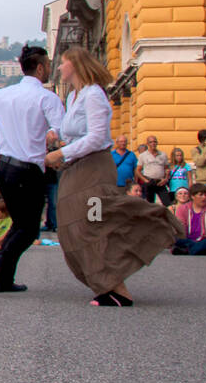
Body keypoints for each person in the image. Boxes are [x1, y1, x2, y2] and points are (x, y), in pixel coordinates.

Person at [45, 47, 182, 307]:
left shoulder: (94, 94)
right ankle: (104, 282)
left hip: (94, 169)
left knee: (91, 222)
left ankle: (116, 287)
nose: (59, 68)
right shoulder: (73, 96)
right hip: (76, 169)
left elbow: (97, 137)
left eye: (62, 63)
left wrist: (61, 152)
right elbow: (77, 134)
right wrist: (58, 139)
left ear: (75, 64)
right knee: (72, 226)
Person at [0, 45, 65, 295]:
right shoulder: (46, 97)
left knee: (19, 224)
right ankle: (0, 261)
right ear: (40, 68)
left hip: (5, 168)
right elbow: (62, 128)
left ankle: (3, 280)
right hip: (28, 170)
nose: (50, 69)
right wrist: (52, 134)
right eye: (48, 65)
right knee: (29, 229)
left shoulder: (3, 94)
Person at [171, 184, 206, 256]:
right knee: (176, 238)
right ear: (192, 196)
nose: (204, 197)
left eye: (205, 195)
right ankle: (205, 250)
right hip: (188, 240)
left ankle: (192, 250)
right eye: (201, 195)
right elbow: (179, 230)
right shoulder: (183, 209)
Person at [135, 135, 172, 206]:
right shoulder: (143, 156)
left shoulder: (163, 155)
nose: (153, 143)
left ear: (157, 143)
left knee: (167, 203)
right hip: (149, 182)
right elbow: (138, 170)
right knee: (150, 205)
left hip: (160, 182)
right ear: (147, 144)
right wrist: (145, 180)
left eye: (154, 142)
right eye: (151, 142)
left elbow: (167, 169)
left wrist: (165, 179)